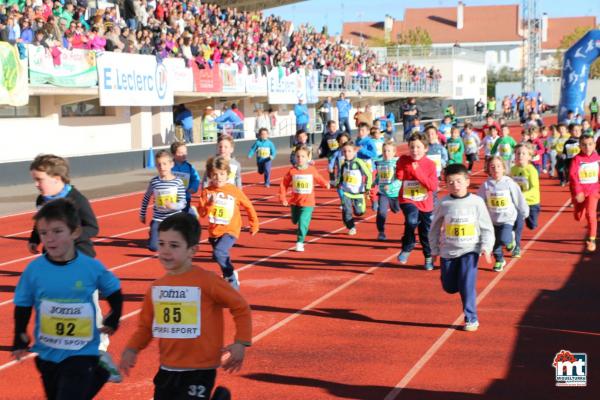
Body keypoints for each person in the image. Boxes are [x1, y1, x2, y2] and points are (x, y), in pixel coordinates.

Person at [119, 213, 251, 400]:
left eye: (174, 245)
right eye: (161, 243)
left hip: (199, 369)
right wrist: (132, 349)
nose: (165, 251)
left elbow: (240, 307)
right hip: (167, 369)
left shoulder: (207, 281)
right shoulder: (157, 288)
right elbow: (145, 326)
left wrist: (241, 342)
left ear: (192, 250)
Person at [13, 199, 123, 399]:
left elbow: (114, 291)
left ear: (75, 232)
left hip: (82, 352)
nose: (50, 239)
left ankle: (96, 369)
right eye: (44, 233)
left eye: (57, 231)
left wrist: (114, 317)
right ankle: (100, 372)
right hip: (48, 353)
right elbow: (23, 303)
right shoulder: (34, 270)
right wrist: (19, 334)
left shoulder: (90, 267)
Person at [27, 154, 122, 381]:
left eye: (39, 179)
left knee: (86, 302)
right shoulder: (42, 200)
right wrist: (34, 238)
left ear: (57, 178)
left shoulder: (77, 200)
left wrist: (70, 238)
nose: (36, 184)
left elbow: (93, 227)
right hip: (53, 261)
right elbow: (39, 222)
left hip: (80, 259)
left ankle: (100, 346)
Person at [429, 163, 494, 332]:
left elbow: (486, 227)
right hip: (448, 251)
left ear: (467, 181)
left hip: (470, 250)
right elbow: (434, 227)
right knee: (450, 287)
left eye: (458, 181)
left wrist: (486, 247)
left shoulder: (477, 202)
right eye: (450, 182)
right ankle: (452, 280)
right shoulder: (444, 203)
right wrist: (434, 250)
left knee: (467, 284)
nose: (455, 185)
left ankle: (471, 318)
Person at [198, 157, 259, 290]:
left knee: (220, 252)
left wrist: (254, 223)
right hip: (214, 232)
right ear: (209, 175)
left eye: (222, 174)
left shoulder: (234, 190)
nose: (218, 177)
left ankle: (231, 280)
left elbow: (248, 206)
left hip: (231, 230)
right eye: (214, 174)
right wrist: (209, 204)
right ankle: (231, 273)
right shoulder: (207, 192)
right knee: (218, 255)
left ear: (227, 174)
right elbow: (202, 214)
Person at [477, 156, 529, 272]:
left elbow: (518, 198)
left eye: (499, 166)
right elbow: (479, 201)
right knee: (494, 244)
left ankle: (511, 241)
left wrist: (524, 211)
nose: (496, 169)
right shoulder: (486, 185)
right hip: (493, 220)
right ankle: (500, 260)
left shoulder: (509, 183)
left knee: (504, 239)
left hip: (508, 219)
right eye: (492, 167)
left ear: (504, 169)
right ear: (488, 169)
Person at [396, 133, 438, 270]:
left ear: (425, 148)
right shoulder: (404, 160)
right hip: (408, 199)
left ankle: (428, 257)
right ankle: (408, 247)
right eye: (412, 147)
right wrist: (400, 168)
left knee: (425, 233)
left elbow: (432, 186)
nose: (415, 150)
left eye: (418, 147)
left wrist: (417, 172)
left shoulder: (430, 165)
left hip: (425, 203)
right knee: (411, 220)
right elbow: (400, 176)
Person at [280, 146, 330, 252]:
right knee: (295, 220)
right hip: (295, 202)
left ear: (308, 158)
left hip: (308, 202)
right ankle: (296, 222)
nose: (300, 159)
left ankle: (300, 242)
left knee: (303, 222)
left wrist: (325, 184)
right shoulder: (292, 171)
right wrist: (283, 197)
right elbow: (284, 184)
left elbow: (318, 178)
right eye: (298, 156)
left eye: (303, 156)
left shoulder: (311, 170)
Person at [140, 150, 187, 252]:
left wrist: (173, 206)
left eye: (165, 164)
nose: (162, 167)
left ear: (171, 164)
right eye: (159, 164)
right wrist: (142, 214)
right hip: (158, 218)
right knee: (153, 247)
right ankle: (153, 233)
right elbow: (146, 198)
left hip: (174, 219)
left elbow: (183, 202)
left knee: (176, 245)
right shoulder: (154, 182)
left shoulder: (178, 182)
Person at [569, 135, 599, 252]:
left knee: (591, 215)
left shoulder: (598, 158)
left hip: (594, 191)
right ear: (580, 146)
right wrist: (578, 191)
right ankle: (579, 209)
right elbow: (573, 176)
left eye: (590, 144)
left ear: (594, 145)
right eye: (584, 145)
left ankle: (591, 240)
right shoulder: (577, 159)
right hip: (580, 192)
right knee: (578, 217)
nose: (587, 147)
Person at [510, 143, 541, 259]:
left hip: (532, 202)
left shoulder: (532, 170)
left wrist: (521, 195)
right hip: (518, 204)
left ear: (529, 156)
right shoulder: (513, 170)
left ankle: (530, 220)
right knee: (518, 224)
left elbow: (534, 189)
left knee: (532, 225)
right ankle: (516, 246)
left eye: (524, 153)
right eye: (518, 153)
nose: (520, 156)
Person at [336, 141, 373, 235]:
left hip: (358, 192)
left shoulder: (359, 162)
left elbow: (369, 174)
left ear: (354, 152)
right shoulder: (343, 164)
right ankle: (351, 226)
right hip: (346, 192)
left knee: (359, 212)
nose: (347, 153)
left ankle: (356, 209)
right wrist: (338, 183)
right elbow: (341, 175)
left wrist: (368, 187)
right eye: (345, 151)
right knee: (347, 210)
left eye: (349, 151)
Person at [373, 140, 401, 241]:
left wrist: (391, 186)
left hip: (395, 193)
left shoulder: (397, 163)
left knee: (396, 209)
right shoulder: (380, 162)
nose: (386, 153)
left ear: (394, 152)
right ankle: (381, 232)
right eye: (384, 151)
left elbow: (400, 179)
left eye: (389, 151)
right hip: (383, 193)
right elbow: (379, 175)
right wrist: (375, 182)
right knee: (381, 212)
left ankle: (396, 207)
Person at [170, 142, 200, 214]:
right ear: (174, 154)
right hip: (172, 198)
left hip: (185, 198)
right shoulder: (169, 167)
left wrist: (193, 188)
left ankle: (191, 212)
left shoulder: (189, 167)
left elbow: (196, 179)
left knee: (183, 218)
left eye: (185, 152)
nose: (184, 155)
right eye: (180, 153)